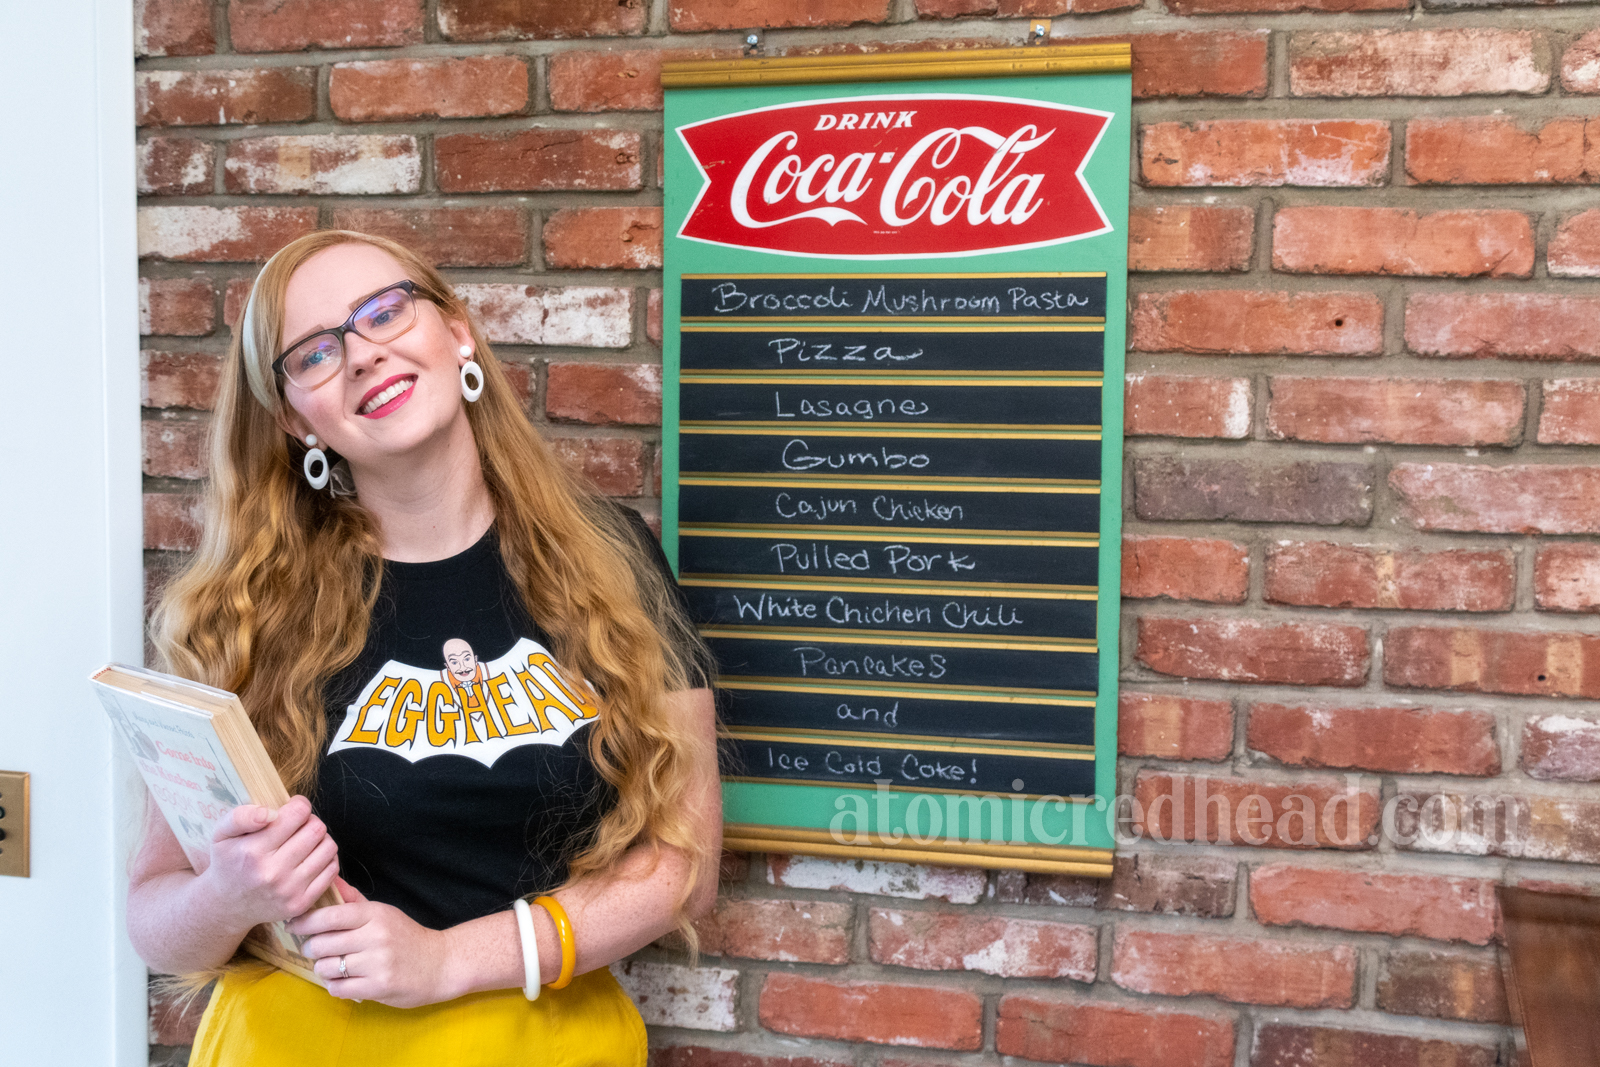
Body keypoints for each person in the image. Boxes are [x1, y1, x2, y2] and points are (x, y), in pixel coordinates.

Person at [127, 230, 720, 1067]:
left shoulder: (611, 556)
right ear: (298, 419)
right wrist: (229, 892)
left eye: (384, 311)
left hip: (546, 1047)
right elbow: (156, 920)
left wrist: (447, 960)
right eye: (316, 353)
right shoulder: (243, 609)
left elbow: (683, 864)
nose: (364, 353)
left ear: (457, 332)